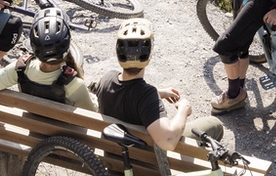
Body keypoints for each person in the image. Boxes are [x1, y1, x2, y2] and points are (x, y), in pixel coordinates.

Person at [92, 18, 223, 153]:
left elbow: (125, 94)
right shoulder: (146, 95)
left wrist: (159, 93)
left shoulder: (107, 78)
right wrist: (184, 109)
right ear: (149, 54)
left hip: (113, 156)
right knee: (215, 125)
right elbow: (168, 141)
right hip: (144, 163)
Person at [0, 9, 98, 110]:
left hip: (29, 134)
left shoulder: (21, 68)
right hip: (64, 142)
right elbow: (92, 120)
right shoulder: (75, 85)